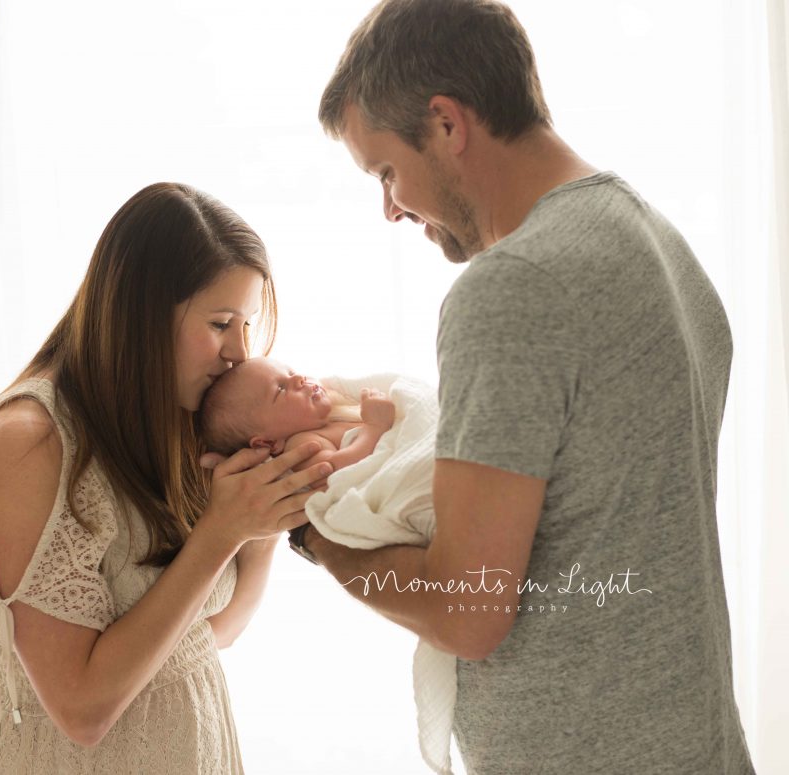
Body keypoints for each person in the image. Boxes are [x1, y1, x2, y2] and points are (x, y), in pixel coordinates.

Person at [294, 1, 756, 773]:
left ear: (446, 123)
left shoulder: (511, 288)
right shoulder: (656, 238)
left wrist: (315, 538)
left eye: (385, 171)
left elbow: (466, 611)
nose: (389, 208)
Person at [0, 182, 332, 774]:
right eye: (222, 322)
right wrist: (222, 531)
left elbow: (212, 634)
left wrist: (263, 522)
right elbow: (82, 710)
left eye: (246, 324)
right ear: (142, 312)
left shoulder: (171, 418)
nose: (240, 353)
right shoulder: (27, 442)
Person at [198, 357, 396, 471]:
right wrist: (375, 428)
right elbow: (338, 474)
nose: (300, 379)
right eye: (281, 389)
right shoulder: (302, 444)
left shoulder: (337, 401)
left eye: (292, 372)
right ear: (268, 443)